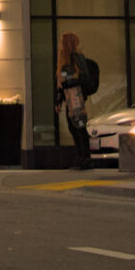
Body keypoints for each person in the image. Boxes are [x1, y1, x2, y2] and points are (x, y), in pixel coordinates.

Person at [56, 32, 93, 170]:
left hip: (76, 96)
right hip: (69, 97)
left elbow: (82, 78)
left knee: (79, 126)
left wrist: (68, 83)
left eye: (62, 42)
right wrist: (58, 100)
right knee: (74, 126)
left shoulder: (76, 58)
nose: (60, 45)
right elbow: (61, 83)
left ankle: (85, 158)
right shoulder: (64, 60)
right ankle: (81, 156)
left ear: (67, 44)